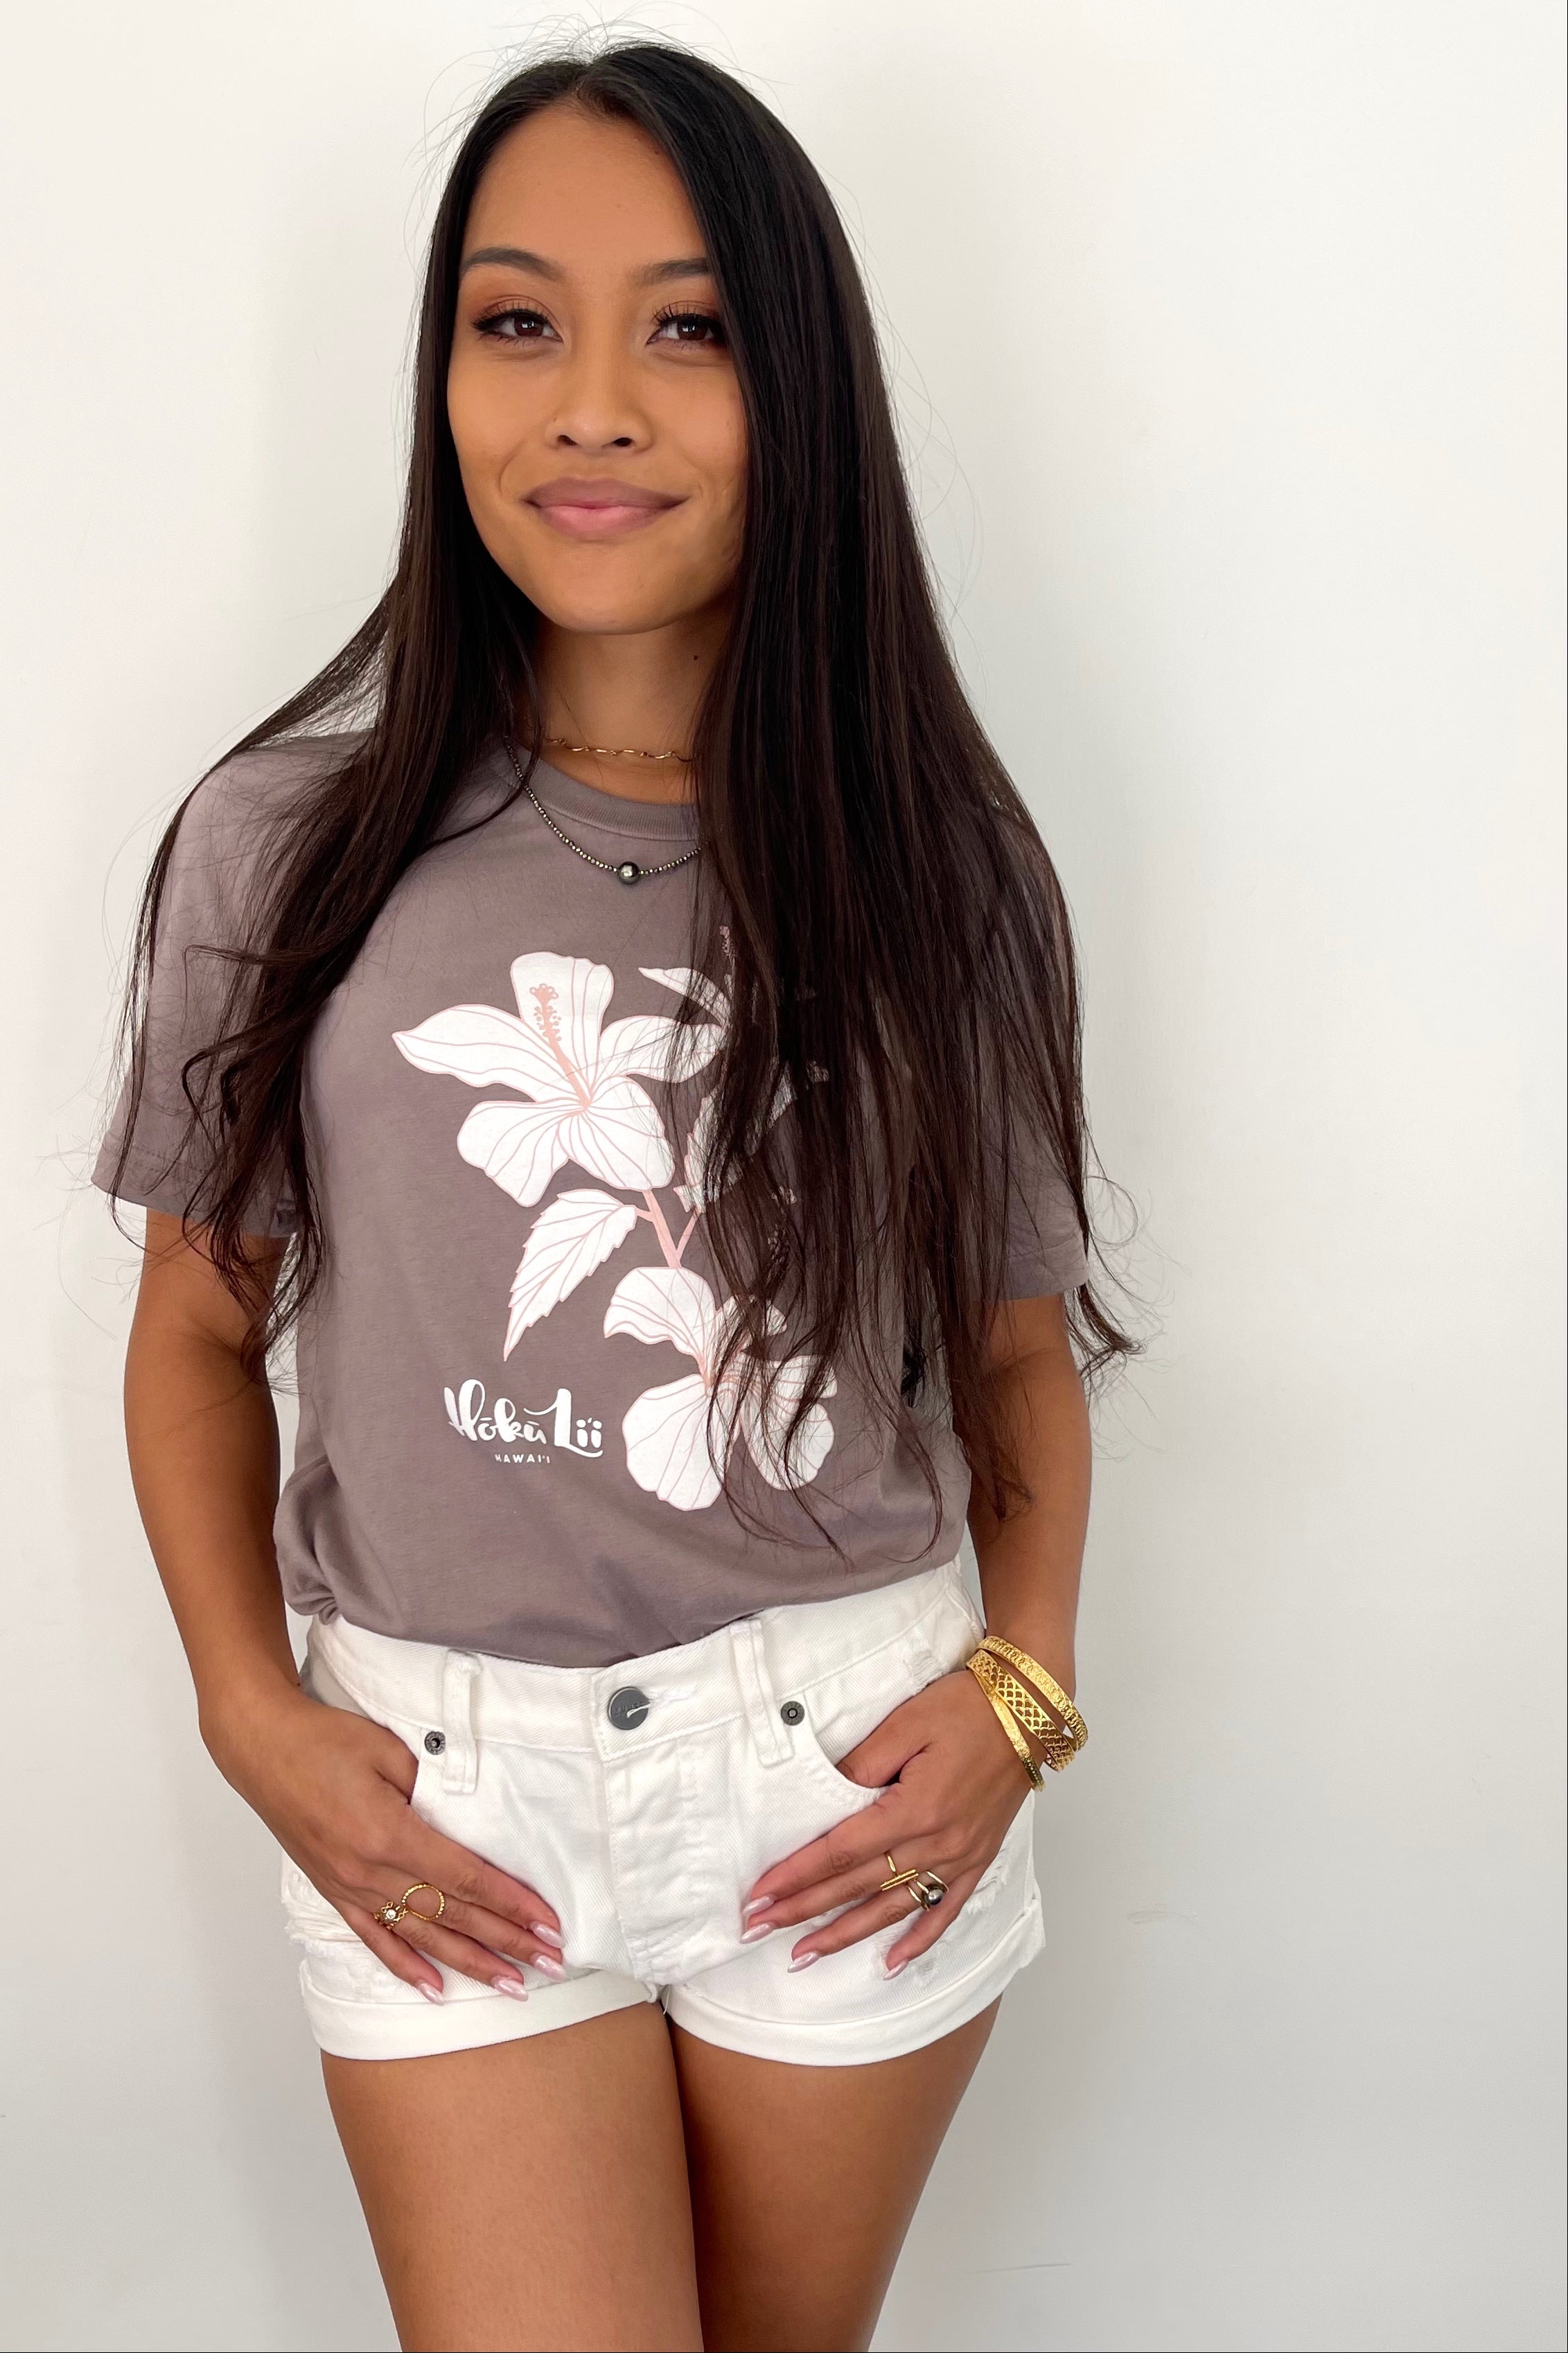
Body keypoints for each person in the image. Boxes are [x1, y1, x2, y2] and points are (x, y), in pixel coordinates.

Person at [94, 40, 1130, 2353]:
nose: (590, 404)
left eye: (688, 328)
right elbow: (193, 1319)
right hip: (445, 1800)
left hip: (842, 1768)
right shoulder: (283, 847)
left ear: (801, 391)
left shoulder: (941, 871)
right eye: (515, 319)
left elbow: (1012, 1349)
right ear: (444, 374)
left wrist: (1028, 1677)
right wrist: (245, 1708)